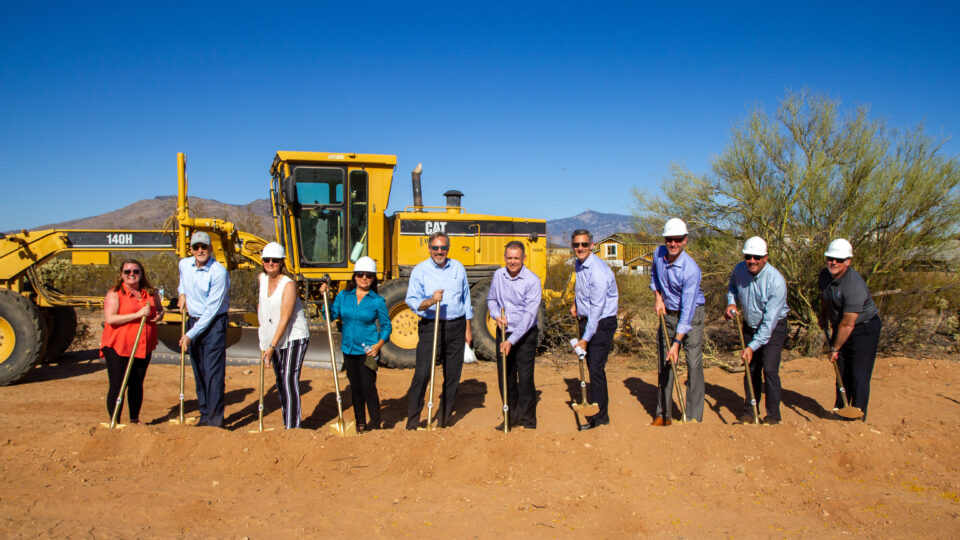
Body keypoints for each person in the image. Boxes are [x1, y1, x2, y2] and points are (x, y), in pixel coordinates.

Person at [405, 231, 473, 429]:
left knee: (452, 375)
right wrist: (431, 301)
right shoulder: (420, 270)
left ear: (448, 249)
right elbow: (412, 300)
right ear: (429, 249)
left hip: (456, 325)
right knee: (423, 374)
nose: (439, 251)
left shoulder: (458, 267)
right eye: (435, 247)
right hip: (430, 326)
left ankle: (443, 421)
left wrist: (467, 329)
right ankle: (413, 422)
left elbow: (466, 300)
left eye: (443, 247)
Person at [724, 236, 789, 425]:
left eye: (757, 257)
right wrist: (731, 302)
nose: (752, 261)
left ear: (765, 258)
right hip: (749, 325)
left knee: (769, 369)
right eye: (748, 256)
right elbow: (732, 287)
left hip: (774, 328)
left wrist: (751, 347)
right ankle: (750, 412)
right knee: (751, 369)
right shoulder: (739, 270)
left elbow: (769, 324)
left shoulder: (776, 281)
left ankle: (773, 416)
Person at [323, 256, 391, 432]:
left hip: (368, 350)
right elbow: (330, 316)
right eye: (360, 274)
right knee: (355, 388)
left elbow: (386, 326)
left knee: (368, 387)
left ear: (373, 278)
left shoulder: (377, 301)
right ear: (354, 276)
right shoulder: (343, 296)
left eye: (368, 275)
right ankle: (360, 422)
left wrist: (379, 345)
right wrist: (326, 298)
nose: (364, 278)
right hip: (348, 349)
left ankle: (375, 424)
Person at [650, 218, 706, 425]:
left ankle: (692, 417)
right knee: (665, 362)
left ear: (685, 241)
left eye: (677, 240)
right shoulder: (658, 254)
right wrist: (658, 297)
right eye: (669, 239)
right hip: (668, 313)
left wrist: (677, 343)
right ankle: (663, 414)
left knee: (693, 363)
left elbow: (688, 312)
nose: (673, 244)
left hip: (691, 315)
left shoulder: (691, 270)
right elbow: (654, 277)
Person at [817, 238, 881, 420]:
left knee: (859, 372)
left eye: (838, 260)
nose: (833, 263)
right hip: (841, 324)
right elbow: (824, 297)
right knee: (841, 369)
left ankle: (857, 414)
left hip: (864, 328)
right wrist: (824, 317)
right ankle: (841, 408)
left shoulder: (854, 285)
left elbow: (848, 324)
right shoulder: (824, 275)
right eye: (830, 258)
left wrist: (834, 348)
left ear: (848, 262)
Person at [100, 259, 164, 424]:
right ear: (121, 274)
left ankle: (134, 419)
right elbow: (111, 319)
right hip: (118, 346)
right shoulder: (115, 293)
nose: (131, 274)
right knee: (118, 384)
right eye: (127, 271)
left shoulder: (149, 292)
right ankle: (115, 421)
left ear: (141, 274)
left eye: (135, 271)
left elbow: (159, 310)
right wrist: (137, 315)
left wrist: (159, 316)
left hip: (142, 346)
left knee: (137, 383)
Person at [487, 241, 542, 429]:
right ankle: (510, 416)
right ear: (504, 258)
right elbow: (492, 299)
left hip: (525, 334)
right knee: (506, 377)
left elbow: (528, 316)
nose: (512, 262)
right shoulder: (498, 275)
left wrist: (511, 340)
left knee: (525, 379)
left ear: (523, 258)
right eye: (509, 258)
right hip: (503, 332)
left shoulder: (533, 281)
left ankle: (527, 421)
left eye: (516, 258)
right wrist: (495, 315)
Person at [178, 231, 230, 428]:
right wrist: (181, 292)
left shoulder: (218, 272)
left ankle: (215, 421)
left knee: (213, 372)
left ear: (210, 248)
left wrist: (190, 335)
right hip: (193, 321)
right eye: (196, 247)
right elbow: (183, 279)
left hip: (214, 323)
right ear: (191, 249)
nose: (200, 251)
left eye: (204, 247)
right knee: (199, 369)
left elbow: (212, 309)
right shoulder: (184, 264)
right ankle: (204, 414)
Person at [569, 229, 619, 431]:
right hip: (587, 319)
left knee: (596, 369)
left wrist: (586, 339)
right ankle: (597, 410)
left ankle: (600, 417)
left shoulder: (598, 271)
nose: (580, 248)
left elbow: (597, 308)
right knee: (590, 366)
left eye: (584, 244)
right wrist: (576, 304)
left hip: (601, 322)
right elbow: (582, 290)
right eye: (576, 245)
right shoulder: (579, 264)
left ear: (592, 245)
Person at [257, 242, 310, 429]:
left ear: (281, 263)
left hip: (294, 337)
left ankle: (293, 427)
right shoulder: (261, 279)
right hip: (275, 336)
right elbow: (262, 309)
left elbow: (285, 318)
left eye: (275, 260)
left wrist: (271, 346)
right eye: (267, 259)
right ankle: (286, 420)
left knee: (289, 378)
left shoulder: (289, 285)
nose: (270, 263)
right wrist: (265, 342)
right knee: (280, 380)